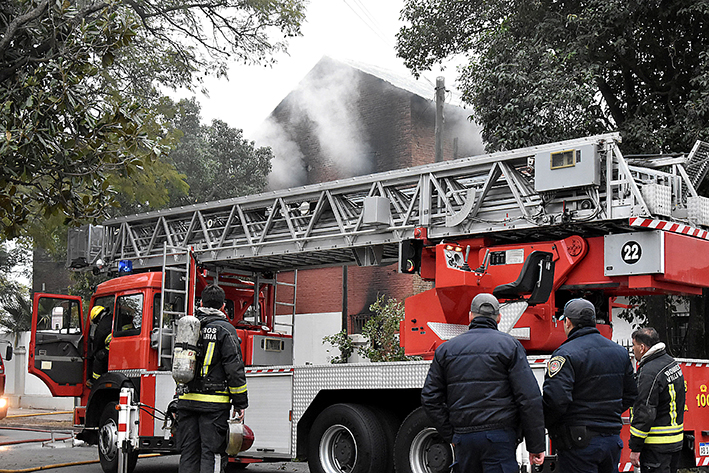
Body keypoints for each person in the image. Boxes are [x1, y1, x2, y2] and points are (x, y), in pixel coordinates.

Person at [421, 293, 545, 472]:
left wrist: (452, 434)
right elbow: (529, 398)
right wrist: (535, 445)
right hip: (500, 438)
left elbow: (430, 397)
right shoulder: (510, 346)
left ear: (470, 316)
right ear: (499, 318)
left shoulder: (446, 350)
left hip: (465, 438)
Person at [543, 298, 637, 473]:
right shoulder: (619, 353)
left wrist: (549, 424)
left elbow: (556, 400)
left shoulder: (565, 354)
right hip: (611, 439)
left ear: (568, 322)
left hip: (577, 442)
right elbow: (631, 394)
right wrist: (610, 412)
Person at [177, 284, 248, 473]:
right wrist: (240, 403)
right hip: (214, 405)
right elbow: (234, 369)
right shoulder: (225, 330)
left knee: (189, 453)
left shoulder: (189, 327)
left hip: (186, 402)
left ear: (201, 303)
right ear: (223, 306)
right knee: (212, 453)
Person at [629, 327, 685, 473]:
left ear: (642, 348)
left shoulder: (649, 372)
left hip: (656, 446)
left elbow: (644, 413)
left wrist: (635, 447)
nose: (632, 350)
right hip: (675, 442)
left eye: (633, 345)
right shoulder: (670, 362)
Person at [87, 305, 112, 387]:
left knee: (99, 356)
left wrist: (91, 355)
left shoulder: (101, 328)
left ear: (97, 319)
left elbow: (97, 346)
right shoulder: (112, 317)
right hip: (127, 346)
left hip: (113, 350)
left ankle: (96, 381)